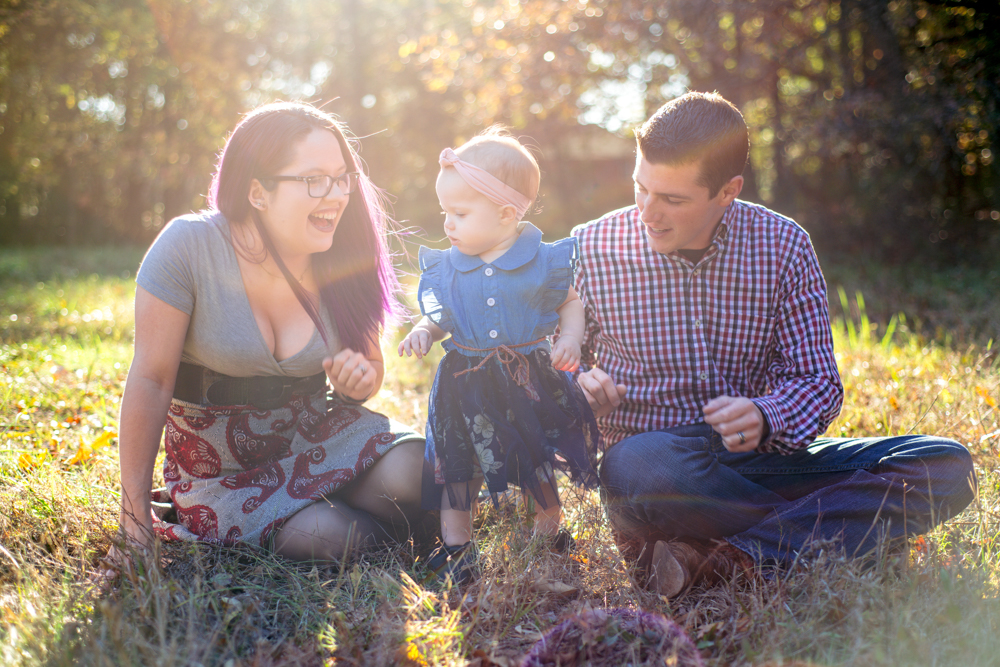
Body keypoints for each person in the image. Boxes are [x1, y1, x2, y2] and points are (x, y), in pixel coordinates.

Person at [572, 91, 977, 597]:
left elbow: (819, 382)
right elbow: (543, 372)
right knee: (635, 463)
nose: (648, 213)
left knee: (946, 464)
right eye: (640, 188)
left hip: (766, 463)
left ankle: (731, 558)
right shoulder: (588, 250)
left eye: (673, 199)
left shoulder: (784, 246)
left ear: (728, 191)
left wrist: (766, 415)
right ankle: (839, 534)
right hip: (661, 476)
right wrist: (577, 388)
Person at [116, 102, 425, 565]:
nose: (338, 195)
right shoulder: (189, 247)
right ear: (257, 192)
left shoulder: (344, 256)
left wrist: (358, 381)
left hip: (314, 439)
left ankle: (382, 514)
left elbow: (370, 370)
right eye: (314, 180)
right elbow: (151, 380)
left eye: (342, 178)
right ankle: (363, 520)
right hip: (219, 469)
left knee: (422, 469)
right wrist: (134, 514)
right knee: (332, 537)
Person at [398, 128, 600, 584]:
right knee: (457, 466)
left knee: (535, 460)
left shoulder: (542, 261)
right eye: (444, 212)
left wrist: (570, 338)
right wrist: (423, 332)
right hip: (464, 383)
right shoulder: (448, 266)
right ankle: (458, 548)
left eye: (460, 213)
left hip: (526, 377)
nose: (447, 223)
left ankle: (546, 536)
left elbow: (570, 302)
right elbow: (440, 317)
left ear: (507, 214)